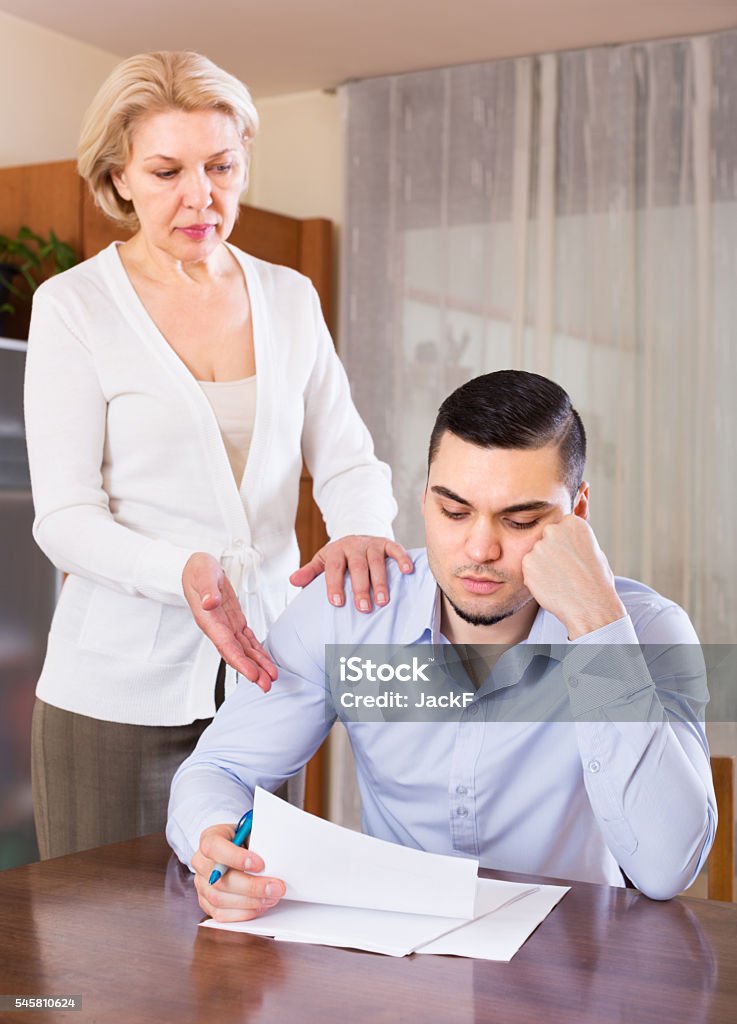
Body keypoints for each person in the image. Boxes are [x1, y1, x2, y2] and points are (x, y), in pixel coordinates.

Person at [24, 50, 410, 860]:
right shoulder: (74, 307)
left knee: (252, 941)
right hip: (114, 688)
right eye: (166, 171)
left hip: (269, 681)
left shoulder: (287, 296)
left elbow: (344, 457)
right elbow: (64, 517)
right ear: (119, 176)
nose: (201, 196)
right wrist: (184, 574)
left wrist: (362, 529)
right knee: (107, 955)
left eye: (221, 166)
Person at [167, 370, 717, 913]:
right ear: (424, 497)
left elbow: (668, 868)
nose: (479, 549)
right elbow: (218, 771)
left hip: (566, 968)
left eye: (519, 520)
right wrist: (216, 842)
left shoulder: (645, 631)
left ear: (578, 513)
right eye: (455, 512)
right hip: (393, 966)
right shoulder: (352, 612)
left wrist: (598, 627)